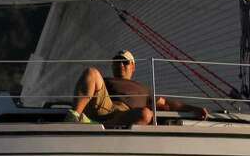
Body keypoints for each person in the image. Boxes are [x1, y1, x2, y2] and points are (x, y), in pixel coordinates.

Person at [73, 49, 209, 126]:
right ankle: (74, 118)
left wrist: (193, 108)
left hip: (125, 115)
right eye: (117, 62)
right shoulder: (106, 80)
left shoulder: (144, 89)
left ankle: (99, 125)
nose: (120, 65)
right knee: (91, 72)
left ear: (133, 66)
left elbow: (166, 104)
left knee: (146, 114)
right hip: (105, 105)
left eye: (124, 62)